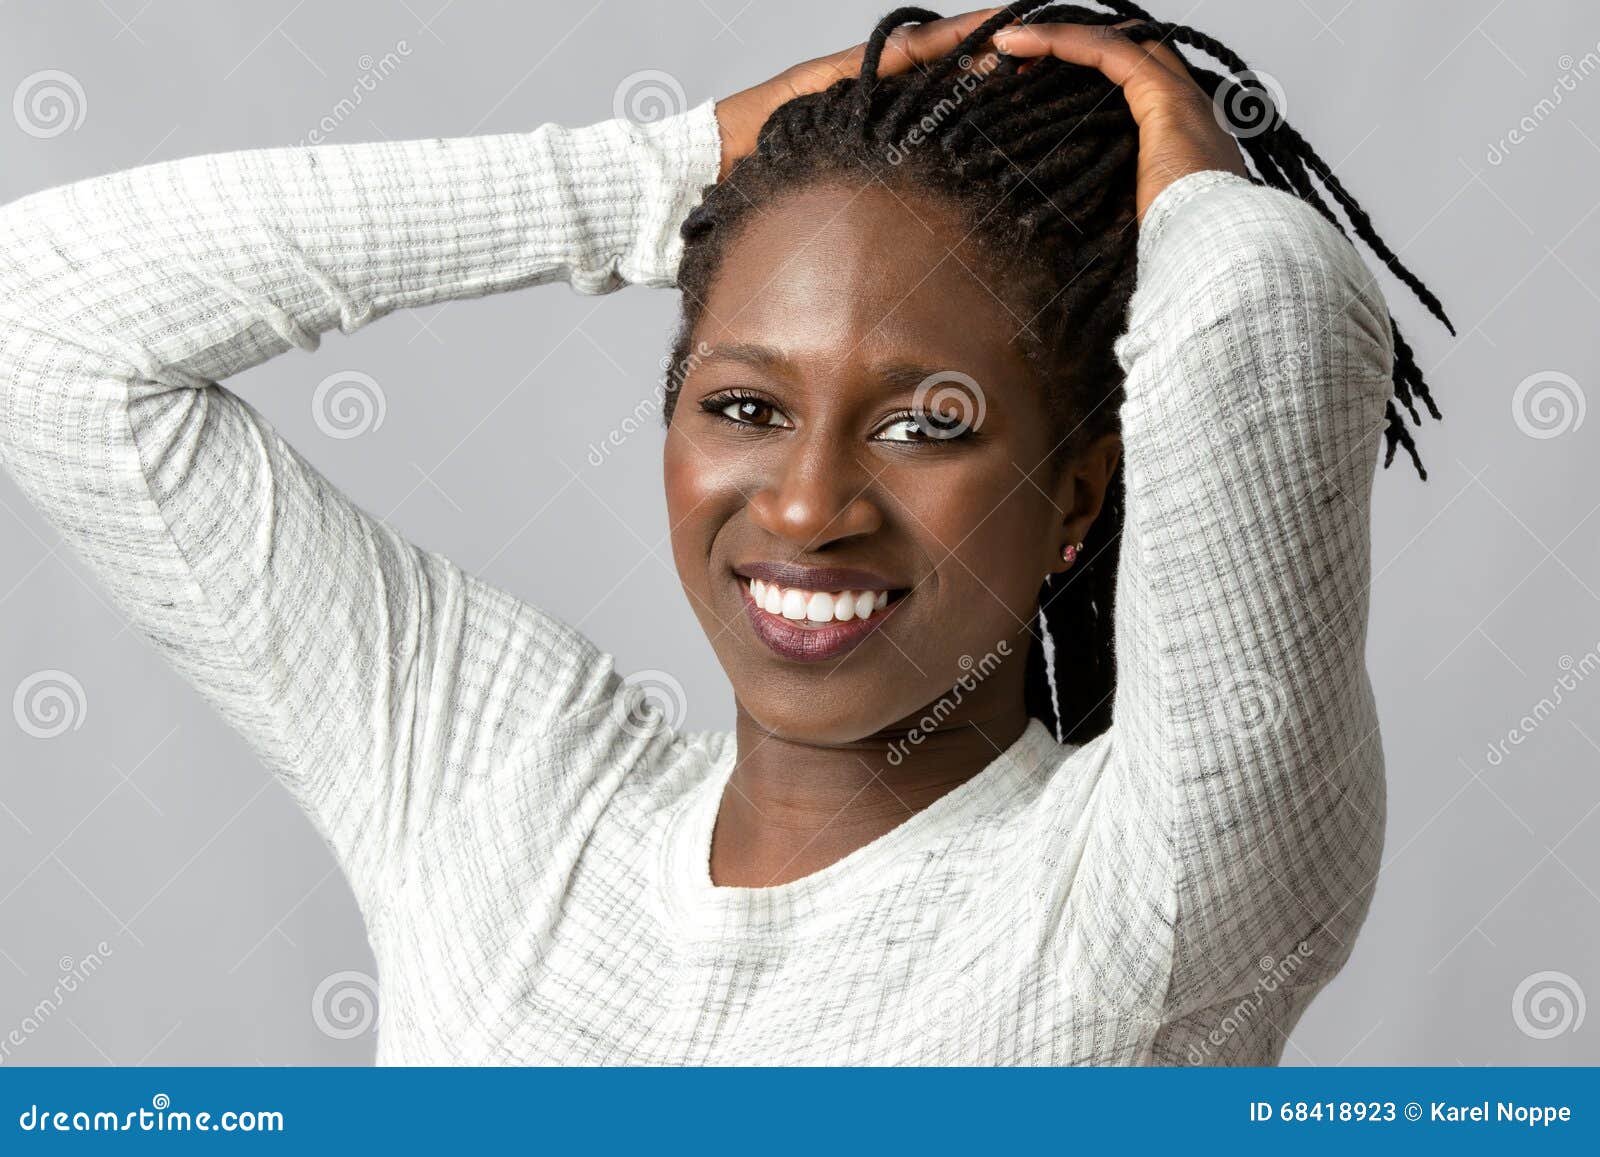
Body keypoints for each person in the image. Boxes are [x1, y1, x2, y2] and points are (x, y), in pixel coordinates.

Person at [0, 2, 1449, 1063]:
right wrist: (657, 173)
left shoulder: (1156, 897)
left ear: (1076, 492)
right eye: (748, 407)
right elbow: (45, 326)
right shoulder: (502, 797)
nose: (810, 506)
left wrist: (1189, 163)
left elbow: (1264, 320)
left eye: (928, 422)